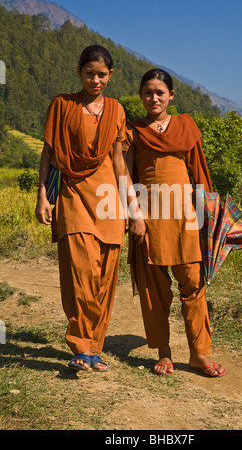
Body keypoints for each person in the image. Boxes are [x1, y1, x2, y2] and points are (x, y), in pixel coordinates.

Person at [123, 69, 226, 377]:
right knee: (154, 287)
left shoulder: (185, 125)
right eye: (148, 92)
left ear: (171, 96)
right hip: (149, 214)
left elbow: (199, 173)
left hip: (185, 213)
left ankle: (199, 353)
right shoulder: (132, 131)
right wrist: (134, 216)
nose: (153, 98)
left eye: (159, 92)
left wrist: (209, 214)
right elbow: (125, 176)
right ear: (141, 95)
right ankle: (164, 353)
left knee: (193, 282)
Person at [35, 45, 127, 372]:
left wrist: (130, 204)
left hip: (107, 199)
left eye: (102, 74)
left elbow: (118, 161)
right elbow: (48, 154)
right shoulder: (62, 105)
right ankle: (79, 345)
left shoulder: (116, 110)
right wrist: (43, 194)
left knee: (104, 275)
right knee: (80, 270)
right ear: (79, 72)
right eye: (90, 73)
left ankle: (94, 349)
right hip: (72, 195)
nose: (96, 80)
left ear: (110, 75)